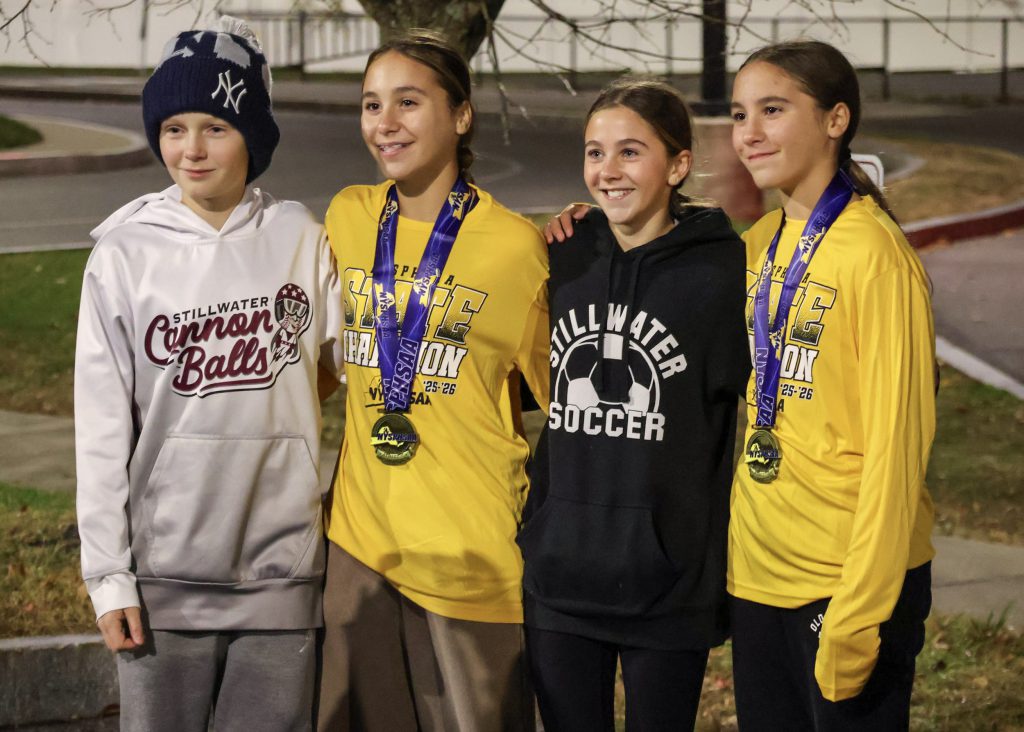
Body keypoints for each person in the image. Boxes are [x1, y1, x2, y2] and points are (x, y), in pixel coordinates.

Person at [74, 18, 343, 731]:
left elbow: (339, 371)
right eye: (174, 128)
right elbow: (100, 430)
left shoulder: (301, 238)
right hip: (162, 582)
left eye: (215, 128)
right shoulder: (124, 254)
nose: (190, 149)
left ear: (253, 134)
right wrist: (108, 578)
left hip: (281, 574)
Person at [316, 30, 549, 731]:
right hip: (360, 550)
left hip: (470, 557)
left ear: (461, 114)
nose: (384, 124)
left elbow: (561, 402)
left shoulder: (514, 247)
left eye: (408, 102)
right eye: (370, 104)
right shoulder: (347, 217)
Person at [517, 78, 750, 732]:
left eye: (629, 152)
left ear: (677, 165)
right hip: (560, 576)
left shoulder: (723, 271)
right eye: (595, 152)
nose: (607, 170)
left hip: (668, 585)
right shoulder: (562, 256)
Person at [727, 40, 936, 730]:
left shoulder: (876, 257)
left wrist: (861, 609)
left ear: (836, 118)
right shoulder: (759, 243)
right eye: (739, 114)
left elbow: (898, 452)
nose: (749, 133)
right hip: (760, 577)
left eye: (774, 110)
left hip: (845, 582)